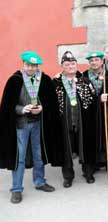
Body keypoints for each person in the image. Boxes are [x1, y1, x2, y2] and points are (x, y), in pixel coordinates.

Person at [0, 51, 63, 203]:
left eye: (34, 65)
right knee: (19, 157)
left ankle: (40, 182)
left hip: (39, 125)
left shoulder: (45, 80)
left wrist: (42, 108)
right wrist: (22, 109)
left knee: (38, 154)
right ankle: (16, 189)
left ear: (37, 66)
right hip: (21, 124)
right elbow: (7, 107)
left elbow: (51, 102)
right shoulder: (15, 80)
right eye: (28, 65)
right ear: (23, 64)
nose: (30, 68)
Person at [53, 51, 97, 188]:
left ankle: (88, 173)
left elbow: (93, 100)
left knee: (86, 147)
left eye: (73, 63)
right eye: (67, 64)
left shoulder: (85, 81)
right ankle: (68, 177)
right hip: (64, 123)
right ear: (62, 66)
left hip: (83, 122)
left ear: (76, 65)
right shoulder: (56, 83)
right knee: (66, 149)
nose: (71, 66)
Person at [82, 52, 108, 171]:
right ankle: (93, 163)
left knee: (106, 135)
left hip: (106, 109)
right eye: (91, 61)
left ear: (102, 61)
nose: (94, 62)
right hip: (91, 111)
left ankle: (107, 161)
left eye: (96, 60)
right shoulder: (84, 75)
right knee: (93, 136)